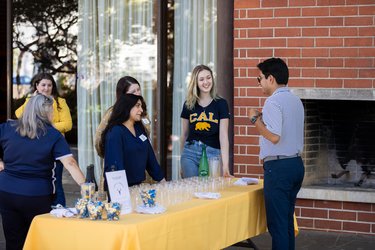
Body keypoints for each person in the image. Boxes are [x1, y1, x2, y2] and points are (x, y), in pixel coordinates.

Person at [0, 94, 85, 250]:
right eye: (51, 110)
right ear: (45, 112)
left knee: (13, 241)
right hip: (37, 195)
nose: (53, 114)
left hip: (7, 192)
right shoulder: (53, 135)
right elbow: (70, 163)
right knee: (38, 241)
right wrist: (86, 186)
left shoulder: (7, 128)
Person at [248, 58, 305, 250]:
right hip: (296, 165)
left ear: (270, 78)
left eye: (260, 79)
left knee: (278, 226)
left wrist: (255, 119)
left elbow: (274, 137)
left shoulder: (272, 102)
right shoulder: (296, 100)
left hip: (279, 169)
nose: (260, 83)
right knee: (287, 223)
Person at [15, 73, 72, 207]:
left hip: (55, 147)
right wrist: (32, 99)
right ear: (37, 86)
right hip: (34, 147)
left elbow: (67, 124)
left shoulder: (59, 102)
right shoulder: (31, 100)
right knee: (37, 180)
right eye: (43, 85)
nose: (46, 88)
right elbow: (19, 115)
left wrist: (44, 127)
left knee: (56, 181)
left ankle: (59, 209)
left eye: (49, 85)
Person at [99, 94, 164, 186]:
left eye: (141, 106)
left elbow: (151, 160)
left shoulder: (139, 129)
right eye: (137, 106)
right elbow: (114, 167)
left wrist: (163, 182)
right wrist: (122, 195)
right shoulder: (115, 132)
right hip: (121, 189)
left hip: (138, 188)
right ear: (126, 107)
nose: (141, 110)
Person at [180, 64, 231, 178]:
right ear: (196, 82)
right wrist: (181, 161)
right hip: (190, 153)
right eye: (201, 79)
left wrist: (225, 166)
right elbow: (184, 134)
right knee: (190, 190)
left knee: (209, 190)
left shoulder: (221, 103)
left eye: (208, 77)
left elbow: (223, 136)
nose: (206, 82)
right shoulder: (188, 104)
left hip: (212, 153)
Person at [95, 76, 150, 158]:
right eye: (133, 91)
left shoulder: (142, 111)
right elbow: (99, 142)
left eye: (138, 89)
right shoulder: (112, 113)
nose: (138, 93)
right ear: (123, 95)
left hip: (140, 163)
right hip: (118, 164)